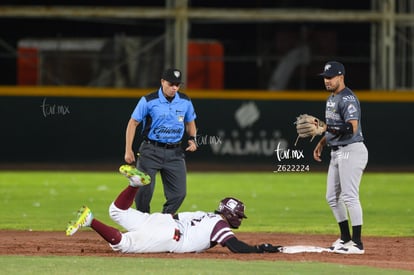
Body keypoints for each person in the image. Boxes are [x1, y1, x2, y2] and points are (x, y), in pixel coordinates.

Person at [66, 165, 282, 254]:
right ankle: (90, 220)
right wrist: (260, 249)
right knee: (124, 245)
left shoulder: (204, 214)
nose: (240, 220)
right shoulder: (220, 225)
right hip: (171, 236)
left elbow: (174, 216)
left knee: (117, 211)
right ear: (230, 214)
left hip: (162, 221)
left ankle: (134, 185)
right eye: (239, 216)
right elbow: (234, 246)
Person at [124, 68, 198, 214]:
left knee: (179, 194)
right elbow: (132, 123)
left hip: (175, 153)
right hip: (151, 151)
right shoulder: (149, 100)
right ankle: (143, 222)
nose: (174, 88)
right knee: (143, 193)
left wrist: (193, 139)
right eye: (171, 84)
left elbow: (191, 122)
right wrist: (128, 149)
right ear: (162, 82)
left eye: (177, 84)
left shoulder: (185, 101)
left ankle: (163, 221)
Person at [313, 61, 368, 255]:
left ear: (341, 77)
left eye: (330, 77)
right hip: (336, 151)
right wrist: (321, 143)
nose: (327, 81)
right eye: (325, 77)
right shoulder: (330, 99)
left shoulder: (348, 99)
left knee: (349, 196)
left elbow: (350, 127)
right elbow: (332, 127)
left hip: (352, 150)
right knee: (331, 197)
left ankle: (357, 243)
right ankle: (345, 238)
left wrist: (326, 129)